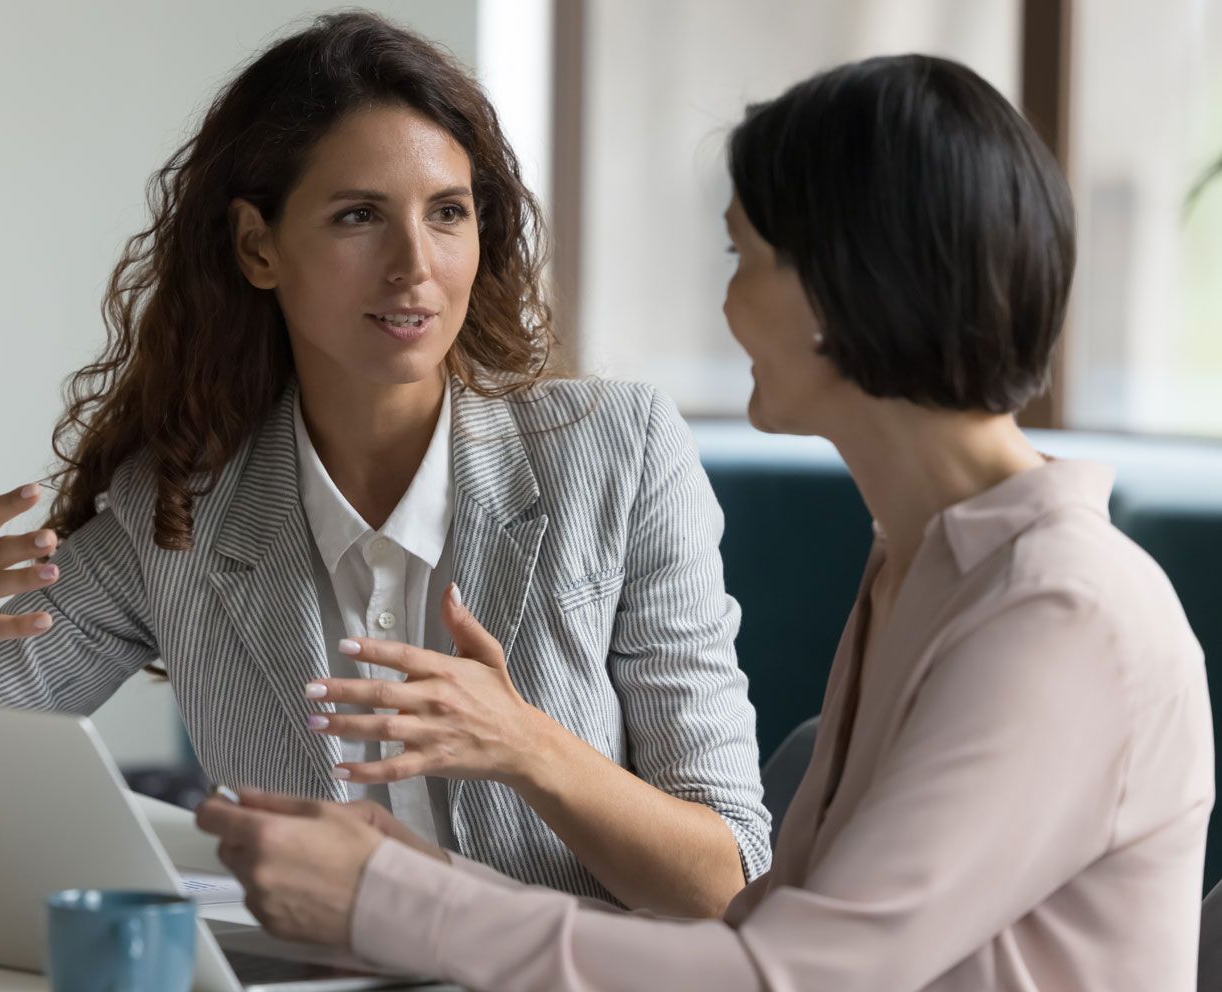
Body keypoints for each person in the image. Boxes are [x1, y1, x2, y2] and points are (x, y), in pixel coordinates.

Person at [193, 54, 1215, 990]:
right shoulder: (924, 564)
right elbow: (760, 928)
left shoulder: (1061, 612)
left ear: (838, 286)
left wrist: (396, 900)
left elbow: (791, 974)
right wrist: (419, 874)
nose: (726, 306)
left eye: (743, 256)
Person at [0, 11, 772, 914]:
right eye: (358, 216)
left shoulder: (617, 450)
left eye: (448, 212)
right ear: (258, 246)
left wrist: (531, 750)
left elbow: (729, 879)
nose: (415, 265)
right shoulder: (174, 513)